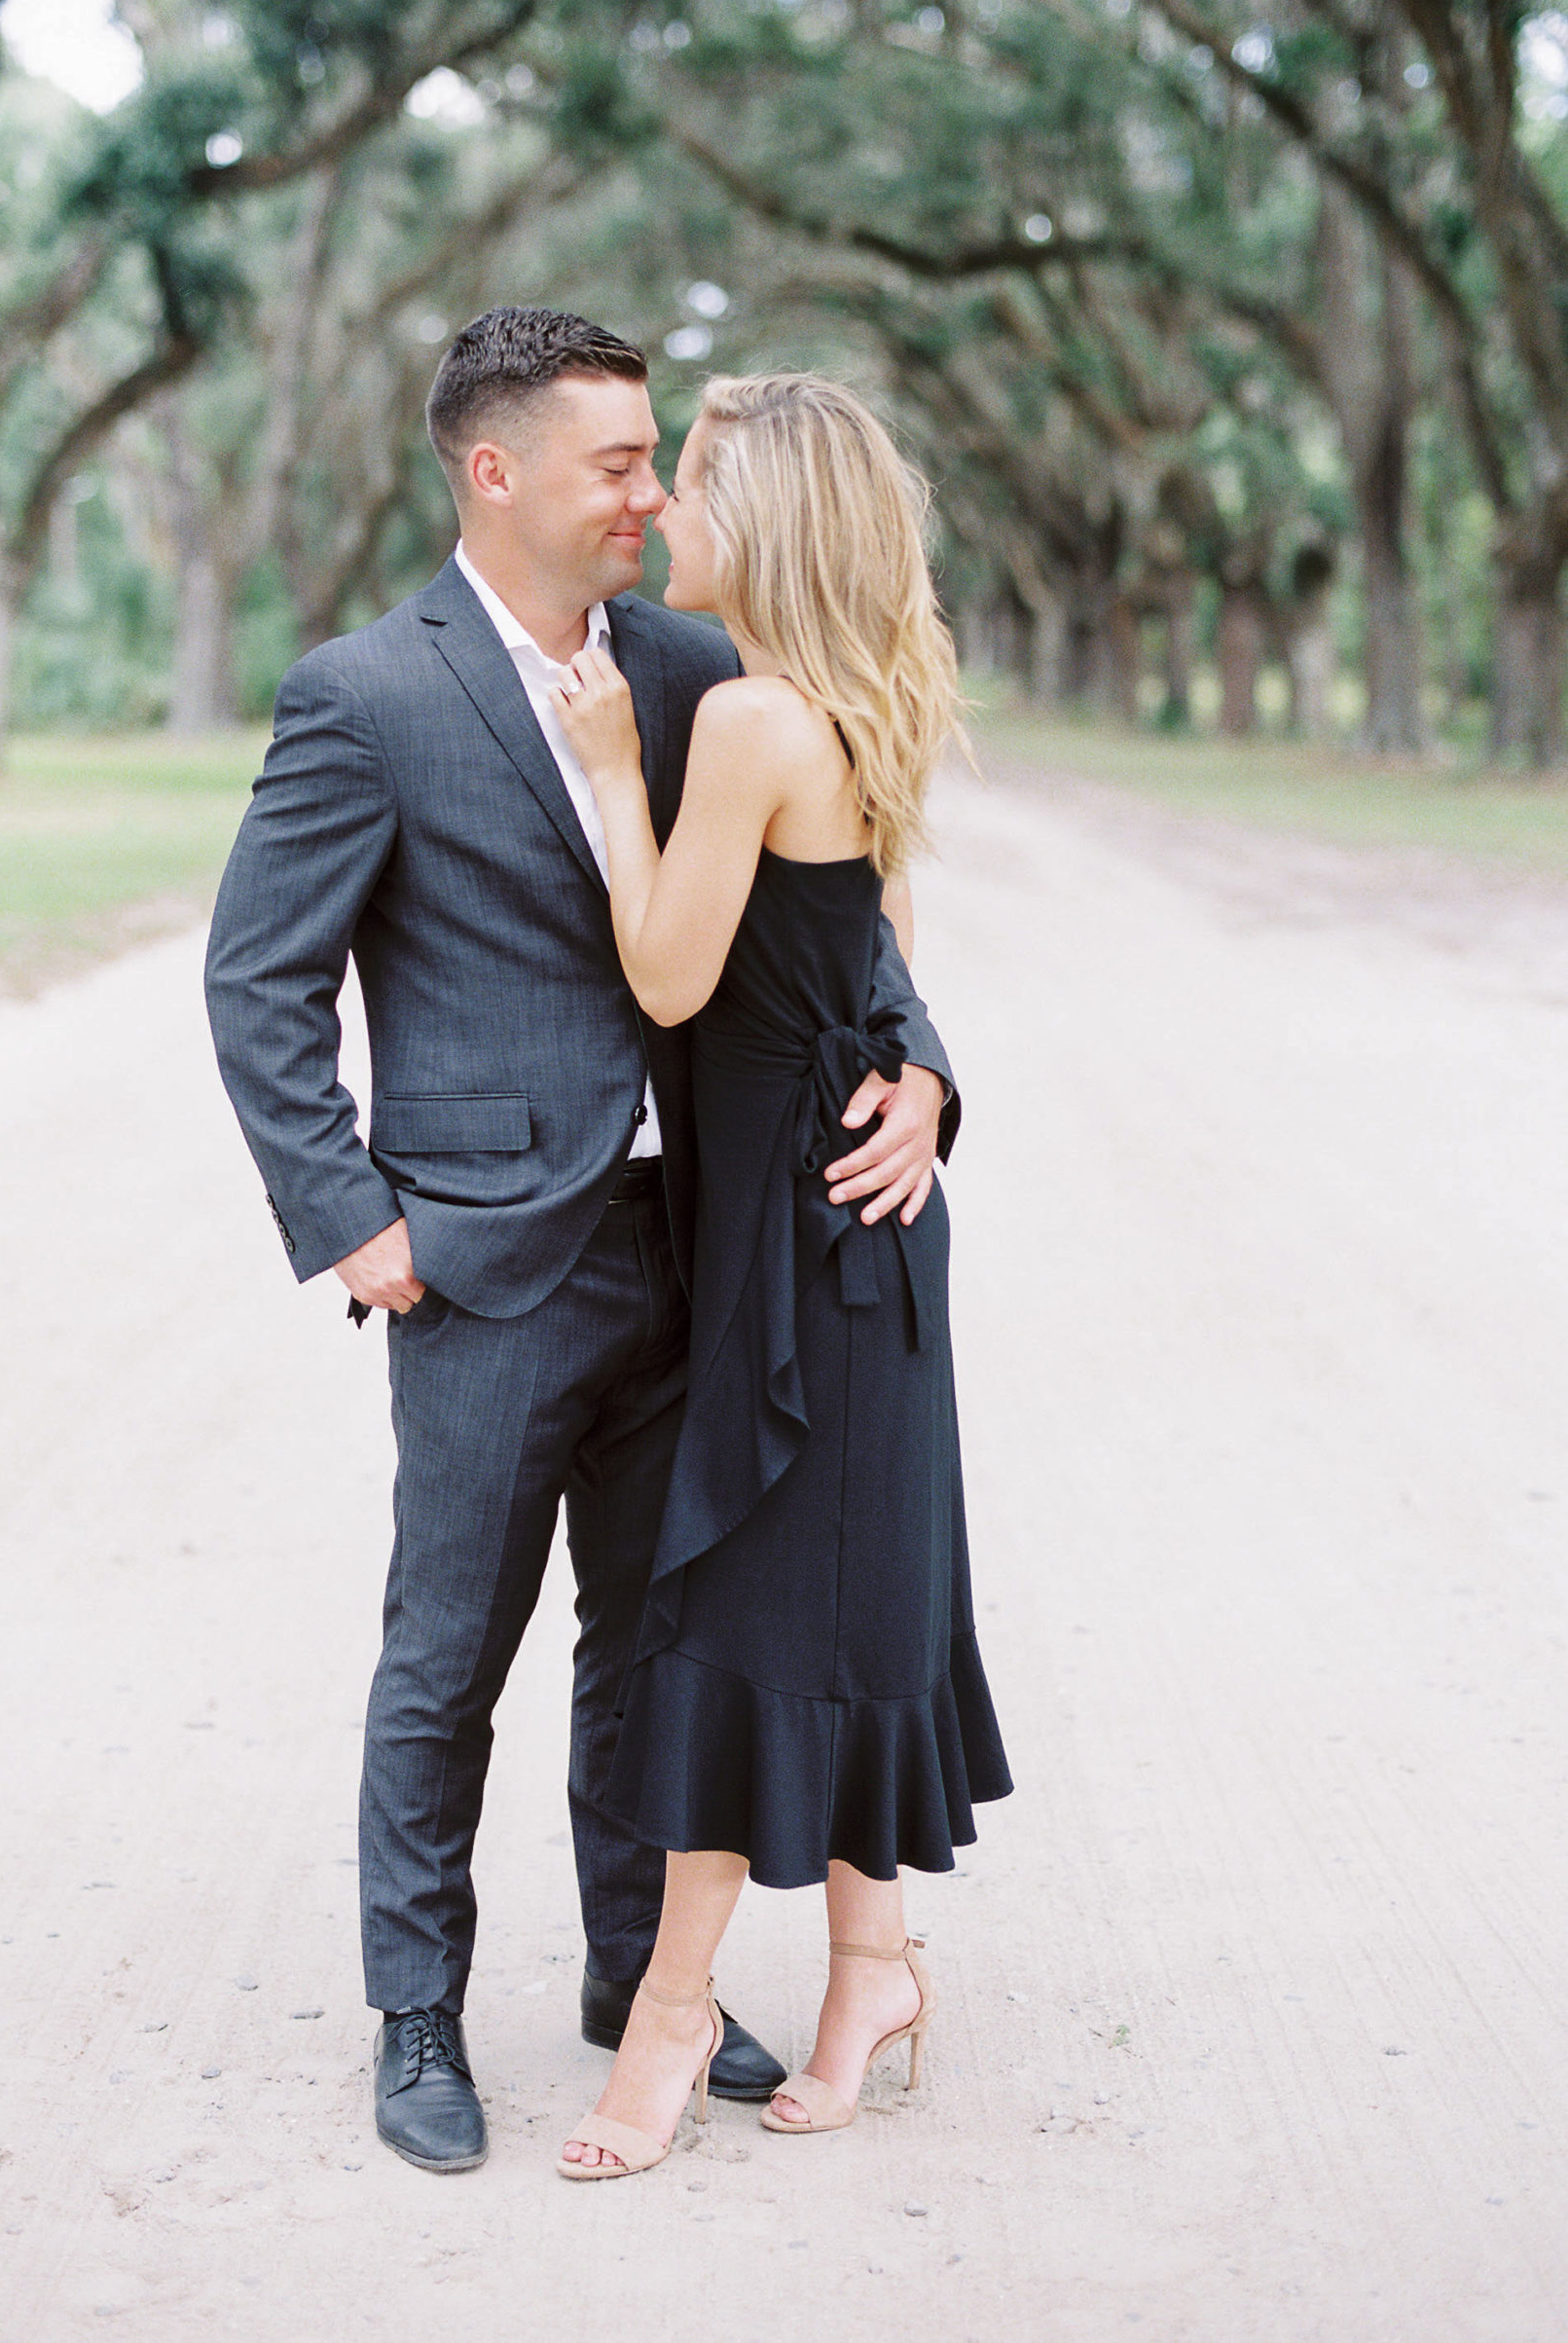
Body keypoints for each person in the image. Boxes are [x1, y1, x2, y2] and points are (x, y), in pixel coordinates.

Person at [202, 311, 957, 2175]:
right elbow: (259, 982)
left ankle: (640, 1983)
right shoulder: (364, 694)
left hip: (709, 1250)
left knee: (660, 1635)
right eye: (616, 460)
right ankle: (416, 2021)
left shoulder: (706, 666)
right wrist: (352, 1222)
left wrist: (928, 1079)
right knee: (446, 1647)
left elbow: (842, 916)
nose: (647, 491)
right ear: (495, 469)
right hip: (481, 1260)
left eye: (655, 459)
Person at [546, 371, 1012, 2180]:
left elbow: (669, 976)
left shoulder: (745, 720)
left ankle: (671, 2010)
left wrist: (605, 770)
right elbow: (889, 959)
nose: (667, 512)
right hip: (850, 1225)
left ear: (774, 524)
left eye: (700, 485)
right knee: (827, 1602)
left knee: (749, 1611)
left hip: (809, 1240)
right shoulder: (868, 697)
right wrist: (923, 1067)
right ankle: (873, 1969)